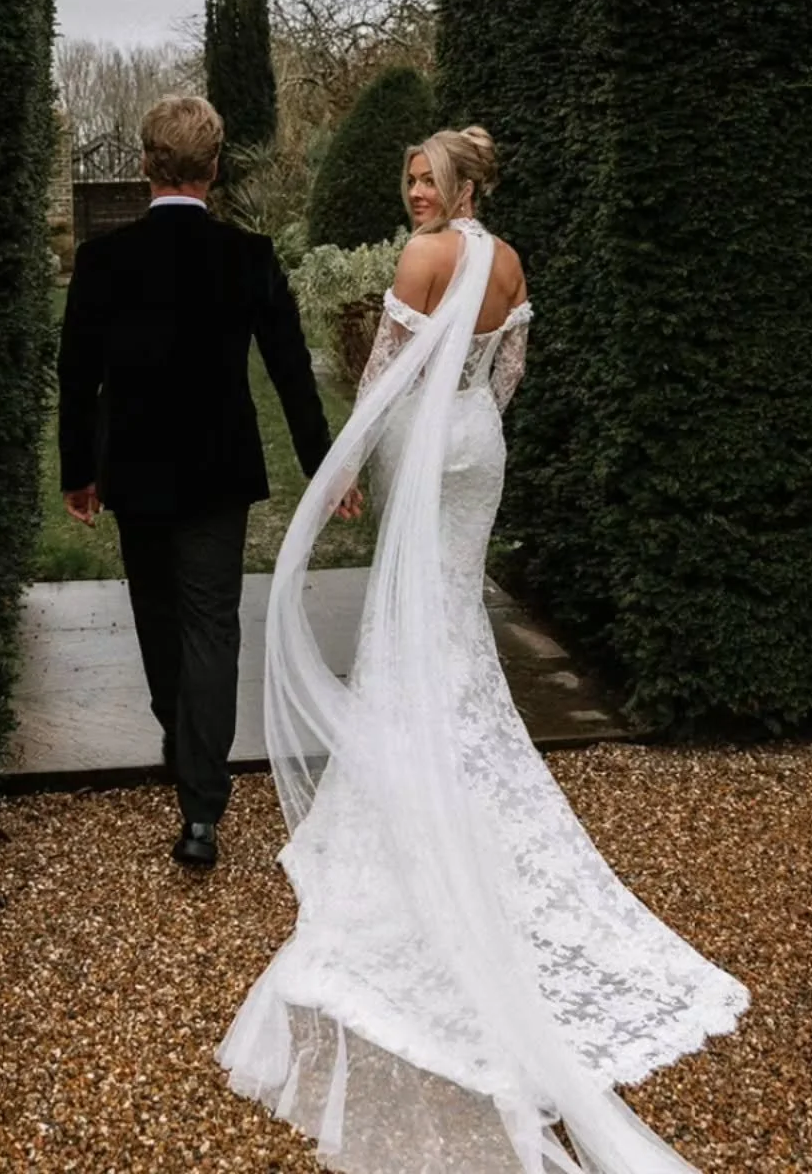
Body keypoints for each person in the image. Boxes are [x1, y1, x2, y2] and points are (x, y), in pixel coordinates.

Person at [219, 126, 748, 1174]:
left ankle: (408, 793)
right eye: (408, 178)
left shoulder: (427, 258)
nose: (414, 191)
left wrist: (354, 471)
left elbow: (379, 376)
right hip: (479, 448)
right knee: (452, 620)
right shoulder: (506, 261)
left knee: (409, 625)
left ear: (460, 182)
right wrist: (471, 436)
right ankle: (451, 764)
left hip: (428, 444)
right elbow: (509, 365)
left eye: (426, 177)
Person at [57, 95, 353, 869]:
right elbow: (293, 375)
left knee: (159, 619)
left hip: (138, 472)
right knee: (212, 626)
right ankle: (202, 804)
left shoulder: (102, 260)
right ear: (214, 168)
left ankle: (186, 753)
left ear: (147, 163)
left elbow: (75, 377)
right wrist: (324, 467)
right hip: (219, 472)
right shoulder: (249, 256)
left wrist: (77, 474)